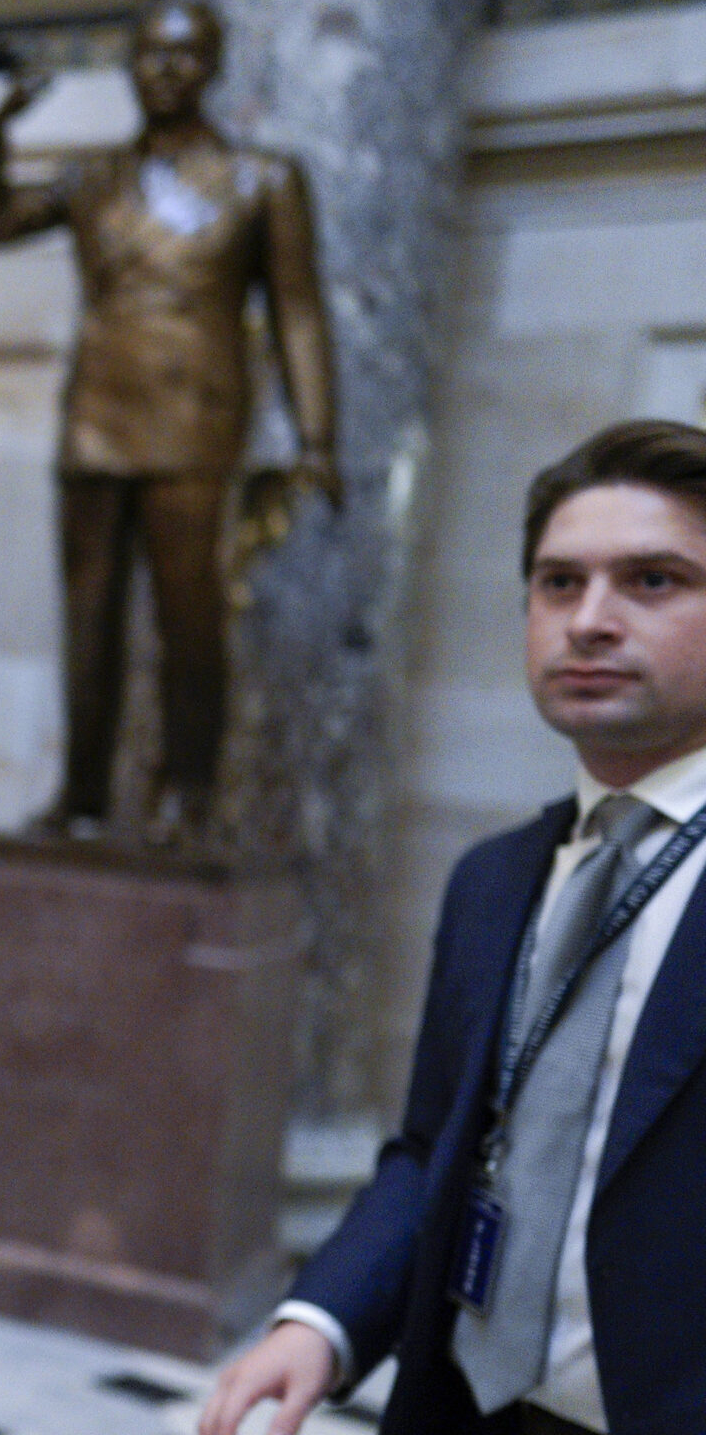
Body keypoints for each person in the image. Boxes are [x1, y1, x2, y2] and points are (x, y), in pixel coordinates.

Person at [202, 420, 706, 1435]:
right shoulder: (494, 881)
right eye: (559, 584)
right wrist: (322, 1318)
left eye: (651, 581)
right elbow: (437, 1147)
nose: (589, 621)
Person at [0, 0, 338, 843]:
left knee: (189, 616)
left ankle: (188, 796)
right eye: (149, 56)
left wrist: (317, 439)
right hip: (98, 413)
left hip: (197, 417)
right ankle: (82, 797)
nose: (165, 72)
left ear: (213, 66)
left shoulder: (263, 179)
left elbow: (300, 313)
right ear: (129, 66)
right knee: (87, 616)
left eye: (184, 56)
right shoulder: (93, 176)